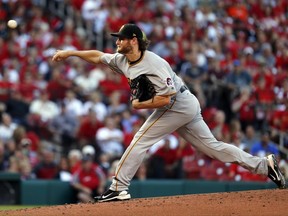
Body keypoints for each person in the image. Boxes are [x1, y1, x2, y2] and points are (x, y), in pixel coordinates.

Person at [52, 23, 286, 202]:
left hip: (177, 104)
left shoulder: (154, 63)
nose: (117, 42)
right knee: (213, 148)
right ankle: (265, 166)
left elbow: (167, 96)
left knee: (140, 140)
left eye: (121, 38)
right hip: (181, 105)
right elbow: (97, 56)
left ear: (133, 40)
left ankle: (118, 188)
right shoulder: (123, 60)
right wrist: (71, 53)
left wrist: (139, 105)